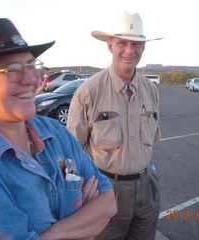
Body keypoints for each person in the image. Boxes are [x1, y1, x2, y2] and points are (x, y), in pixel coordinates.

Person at [0, 18, 117, 239]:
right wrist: (83, 225)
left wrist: (49, 234)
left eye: (32, 65)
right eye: (12, 69)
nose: (32, 79)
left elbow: (107, 201)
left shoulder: (55, 133)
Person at [67, 11, 163, 240]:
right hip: (105, 189)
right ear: (110, 46)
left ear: (144, 47)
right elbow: (69, 153)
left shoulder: (151, 91)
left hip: (146, 187)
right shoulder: (88, 92)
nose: (130, 51)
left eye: (137, 44)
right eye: (122, 43)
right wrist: (75, 197)